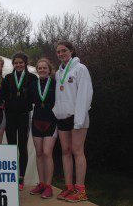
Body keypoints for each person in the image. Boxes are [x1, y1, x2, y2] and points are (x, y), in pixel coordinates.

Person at [52, 41, 93, 203]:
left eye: (64, 51)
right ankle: (69, 187)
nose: (61, 54)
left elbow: (85, 94)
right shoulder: (58, 73)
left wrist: (79, 119)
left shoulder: (80, 69)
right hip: (62, 117)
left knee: (78, 151)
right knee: (65, 152)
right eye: (58, 52)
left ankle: (81, 190)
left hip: (78, 117)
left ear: (71, 51)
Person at [2, 52, 38, 191]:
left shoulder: (32, 78)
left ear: (25, 63)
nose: (18, 65)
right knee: (11, 146)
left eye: (21, 63)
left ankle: (21, 178)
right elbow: (3, 96)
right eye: (16, 63)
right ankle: (11, 176)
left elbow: (36, 95)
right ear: (13, 64)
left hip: (24, 116)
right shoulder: (8, 78)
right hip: (10, 115)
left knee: (22, 146)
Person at [29, 58, 57, 199]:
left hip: (51, 122)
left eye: (44, 68)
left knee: (47, 153)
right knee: (39, 153)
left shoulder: (55, 83)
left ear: (49, 69)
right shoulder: (33, 84)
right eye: (39, 68)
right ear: (37, 69)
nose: (42, 70)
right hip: (36, 121)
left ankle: (48, 186)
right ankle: (41, 183)